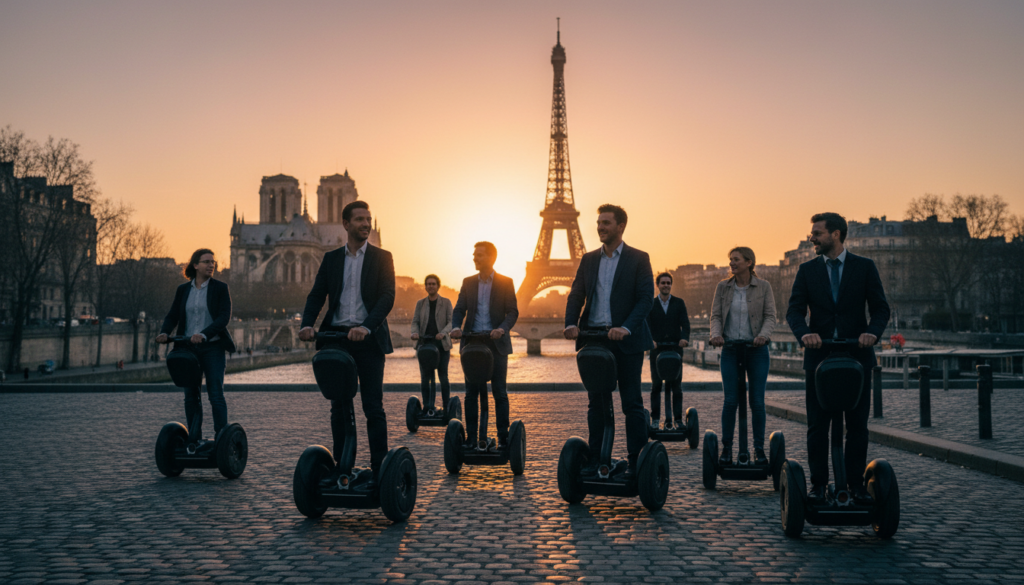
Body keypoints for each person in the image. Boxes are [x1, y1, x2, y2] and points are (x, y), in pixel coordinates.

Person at [786, 212, 890, 503]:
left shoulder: (864, 267)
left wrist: (872, 333)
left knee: (857, 426)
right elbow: (794, 311)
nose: (812, 238)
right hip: (819, 357)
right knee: (817, 426)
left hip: (857, 356)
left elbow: (881, 308)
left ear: (836, 234)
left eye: (817, 233)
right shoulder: (807, 270)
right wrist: (805, 334)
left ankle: (856, 485)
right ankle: (818, 485)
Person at [298, 201, 396, 488]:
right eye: (360, 219)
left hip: (368, 339)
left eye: (368, 219)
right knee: (338, 407)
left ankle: (379, 470)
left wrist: (366, 327)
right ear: (346, 224)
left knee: (373, 407)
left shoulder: (382, 257)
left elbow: (387, 297)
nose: (366, 224)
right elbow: (317, 295)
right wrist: (307, 324)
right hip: (337, 338)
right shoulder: (331, 259)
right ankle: (342, 467)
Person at [564, 204, 654, 481]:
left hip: (625, 340)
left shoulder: (639, 258)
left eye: (606, 223)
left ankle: (635, 461)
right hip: (595, 338)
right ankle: (596, 459)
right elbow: (576, 294)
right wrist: (570, 323)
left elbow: (645, 299)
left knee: (631, 403)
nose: (600, 227)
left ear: (620, 226)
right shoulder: (589, 259)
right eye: (599, 222)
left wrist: (626, 327)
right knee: (597, 404)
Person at [156, 248, 237, 452]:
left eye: (213, 262)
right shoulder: (183, 290)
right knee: (191, 395)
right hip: (188, 349)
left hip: (212, 348)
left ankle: (221, 440)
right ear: (195, 265)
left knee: (215, 394)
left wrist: (204, 334)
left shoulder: (220, 288)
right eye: (206, 262)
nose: (211, 265)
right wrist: (165, 332)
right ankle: (194, 439)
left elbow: (223, 318)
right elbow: (173, 315)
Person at [708, 246, 777, 466]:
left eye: (736, 259)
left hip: (756, 351)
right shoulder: (723, 287)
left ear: (749, 262)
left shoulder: (764, 287)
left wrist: (763, 336)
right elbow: (716, 316)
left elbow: (770, 316)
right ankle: (727, 449)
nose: (732, 263)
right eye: (730, 260)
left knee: (757, 402)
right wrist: (716, 335)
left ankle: (758, 449)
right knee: (730, 401)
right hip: (730, 349)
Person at [451, 242, 519, 450]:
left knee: (499, 392)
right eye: (474, 255)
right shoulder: (468, 282)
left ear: (491, 258)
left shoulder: (506, 282)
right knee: (471, 393)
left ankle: (503, 438)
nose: (475, 258)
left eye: (479, 255)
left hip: (496, 343)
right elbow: (459, 309)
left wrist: (502, 329)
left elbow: (512, 312)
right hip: (472, 342)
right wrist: (456, 327)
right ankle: (472, 438)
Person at [646, 272, 690, 431]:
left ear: (671, 285)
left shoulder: (679, 303)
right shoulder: (650, 304)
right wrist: (650, 340)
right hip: (656, 350)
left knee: (676, 387)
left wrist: (684, 338)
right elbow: (646, 325)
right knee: (656, 386)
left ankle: (678, 419)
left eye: (668, 283)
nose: (666, 285)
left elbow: (685, 324)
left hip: (675, 349)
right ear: (658, 285)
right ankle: (655, 419)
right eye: (663, 283)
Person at [411, 274, 454, 412]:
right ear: (425, 287)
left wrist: (443, 333)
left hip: (442, 346)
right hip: (425, 345)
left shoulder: (446, 302)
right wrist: (414, 333)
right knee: (425, 378)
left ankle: (446, 406)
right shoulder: (420, 303)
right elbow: (415, 321)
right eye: (428, 284)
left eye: (433, 284)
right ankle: (427, 407)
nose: (431, 286)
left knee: (443, 377)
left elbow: (451, 322)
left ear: (438, 286)